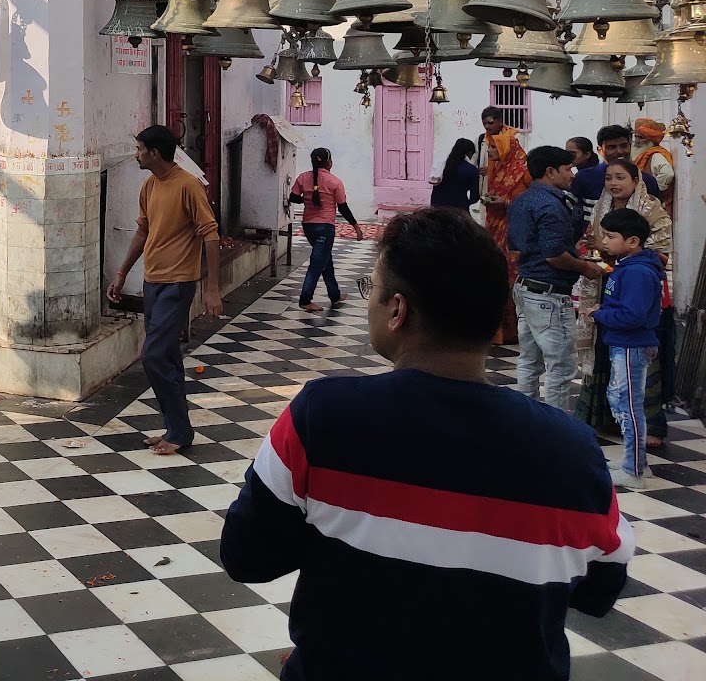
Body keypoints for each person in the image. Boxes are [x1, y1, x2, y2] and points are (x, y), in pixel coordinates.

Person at [220, 207, 633, 681]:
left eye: (370, 291)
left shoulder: (321, 417)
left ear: (398, 310)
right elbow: (599, 590)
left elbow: (246, 557)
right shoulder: (572, 451)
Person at [108, 125, 223, 457]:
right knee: (167, 357)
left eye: (140, 149)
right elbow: (143, 232)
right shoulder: (148, 186)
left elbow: (211, 234)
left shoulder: (188, 185)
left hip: (178, 284)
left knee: (154, 355)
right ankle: (177, 429)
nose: (136, 154)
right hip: (153, 282)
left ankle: (180, 429)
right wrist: (121, 273)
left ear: (154, 153)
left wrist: (211, 288)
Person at [577, 160, 674, 449]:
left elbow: (660, 250)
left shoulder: (652, 210)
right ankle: (604, 417)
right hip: (605, 283)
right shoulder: (601, 207)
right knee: (603, 348)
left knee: (638, 361)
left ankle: (647, 427)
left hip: (636, 286)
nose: (613, 183)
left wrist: (618, 256)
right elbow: (593, 241)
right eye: (608, 178)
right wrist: (599, 249)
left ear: (636, 180)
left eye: (620, 177)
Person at [507, 146, 603, 413]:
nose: (572, 175)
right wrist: (584, 267)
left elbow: (515, 244)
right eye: (567, 169)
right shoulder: (552, 204)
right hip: (547, 292)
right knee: (560, 367)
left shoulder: (521, 200)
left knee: (529, 360)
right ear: (551, 172)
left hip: (525, 286)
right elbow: (554, 255)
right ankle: (556, 427)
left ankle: (525, 417)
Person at [590, 207, 664, 490]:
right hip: (622, 344)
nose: (605, 241)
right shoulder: (627, 266)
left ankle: (633, 472)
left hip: (632, 346)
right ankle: (636, 461)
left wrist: (599, 315)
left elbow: (632, 315)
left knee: (630, 408)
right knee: (621, 402)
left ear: (632, 241)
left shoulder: (638, 273)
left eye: (610, 236)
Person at [287, 148, 363, 312]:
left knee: (325, 261)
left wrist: (307, 199)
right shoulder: (335, 182)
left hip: (308, 226)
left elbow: (292, 198)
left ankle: (334, 295)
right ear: (329, 162)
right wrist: (356, 227)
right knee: (317, 264)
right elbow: (343, 208)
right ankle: (305, 299)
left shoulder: (303, 178)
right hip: (325, 228)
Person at [480, 108, 528, 344]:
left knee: (510, 279)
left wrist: (505, 201)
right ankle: (498, 330)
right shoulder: (497, 170)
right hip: (495, 228)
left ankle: (513, 330)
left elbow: (527, 199)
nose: (489, 152)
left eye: (493, 148)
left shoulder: (521, 171)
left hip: (513, 233)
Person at [570, 124, 662, 228]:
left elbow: (656, 219)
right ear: (600, 150)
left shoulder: (646, 181)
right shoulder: (584, 178)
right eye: (611, 147)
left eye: (623, 145)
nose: (619, 151)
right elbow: (573, 215)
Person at [631, 118, 675, 212]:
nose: (637, 141)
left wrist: (655, 192)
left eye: (641, 137)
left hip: (655, 208)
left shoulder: (656, 155)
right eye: (636, 137)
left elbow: (667, 174)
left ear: (651, 140)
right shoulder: (640, 155)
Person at [430, 137, 481, 210]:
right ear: (469, 152)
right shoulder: (471, 170)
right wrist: (466, 203)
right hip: (458, 209)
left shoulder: (441, 166)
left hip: (437, 207)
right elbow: (474, 198)